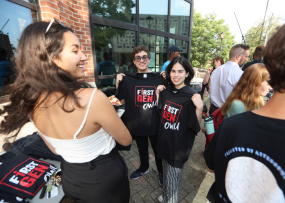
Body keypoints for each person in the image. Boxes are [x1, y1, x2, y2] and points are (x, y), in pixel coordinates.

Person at [0, 20, 132, 202]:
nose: (84, 57)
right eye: (75, 50)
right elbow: (126, 139)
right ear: (51, 57)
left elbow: (55, 149)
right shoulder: (91, 97)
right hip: (105, 179)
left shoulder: (30, 102)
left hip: (71, 179)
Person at [204, 13, 285, 203]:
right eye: (246, 57)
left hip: (217, 111)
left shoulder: (219, 72)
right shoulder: (239, 106)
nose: (247, 60)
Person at [156, 56, 203, 202]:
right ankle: (165, 196)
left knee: (173, 183)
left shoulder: (191, 96)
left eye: (180, 71)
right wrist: (158, 94)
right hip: (164, 142)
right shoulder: (166, 92)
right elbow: (159, 115)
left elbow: (195, 126)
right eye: (173, 71)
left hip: (178, 147)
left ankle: (169, 199)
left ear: (187, 73)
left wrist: (200, 107)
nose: (176, 75)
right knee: (166, 175)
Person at [116, 45, 165, 185]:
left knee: (157, 150)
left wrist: (167, 79)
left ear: (149, 59)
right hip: (138, 122)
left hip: (155, 121)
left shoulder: (160, 78)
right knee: (142, 149)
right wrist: (118, 82)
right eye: (138, 58)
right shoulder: (128, 78)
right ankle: (144, 167)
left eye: (144, 57)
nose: (141, 60)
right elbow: (121, 101)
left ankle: (161, 171)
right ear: (134, 60)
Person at [209, 44, 250, 115]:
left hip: (213, 110)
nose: (247, 59)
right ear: (238, 56)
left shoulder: (216, 70)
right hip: (227, 113)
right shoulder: (240, 74)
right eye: (246, 56)